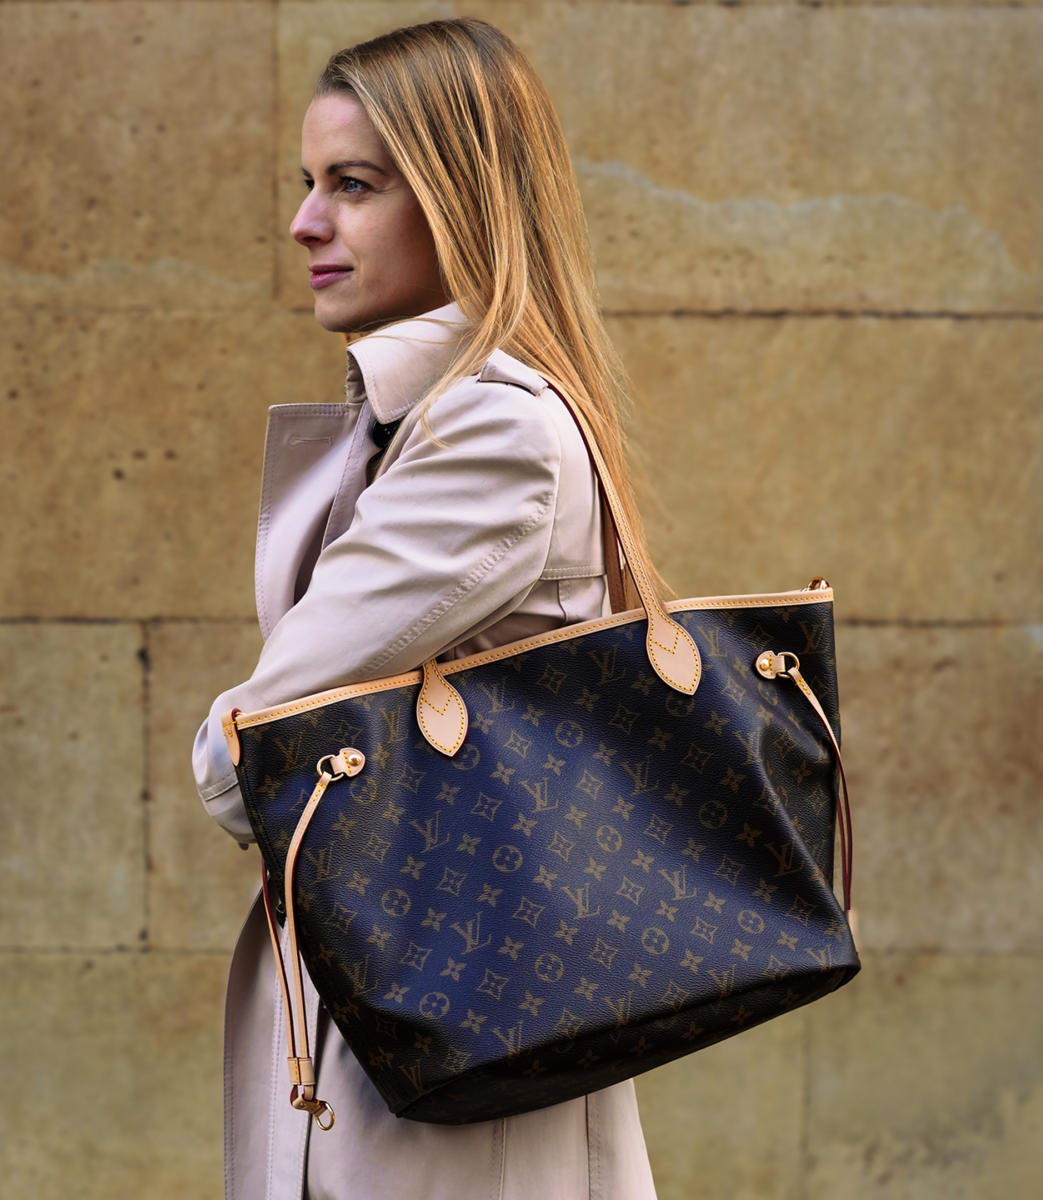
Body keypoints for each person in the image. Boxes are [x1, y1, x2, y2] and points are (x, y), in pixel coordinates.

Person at [193, 18, 660, 1200]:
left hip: (453, 1038)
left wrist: (235, 745)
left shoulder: (493, 430)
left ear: (463, 198)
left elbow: (244, 749)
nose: (306, 223)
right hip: (410, 1010)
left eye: (353, 185)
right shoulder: (411, 421)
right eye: (310, 184)